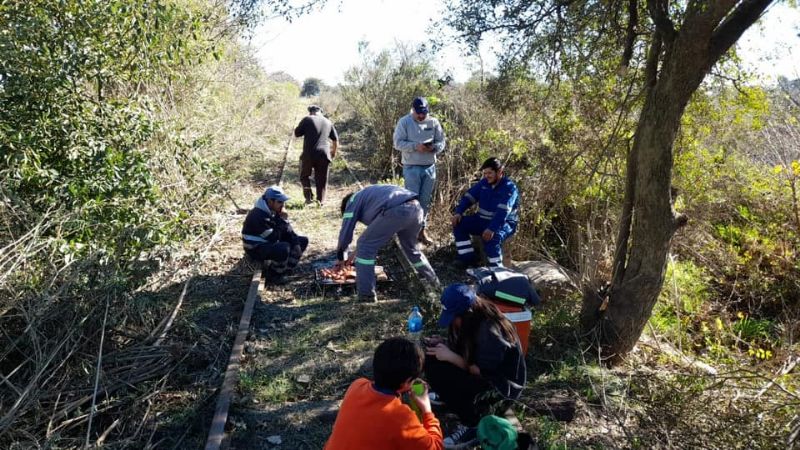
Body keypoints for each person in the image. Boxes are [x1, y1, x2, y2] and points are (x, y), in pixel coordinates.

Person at [423, 284, 525, 448]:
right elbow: (468, 351)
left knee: (454, 377)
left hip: (500, 388)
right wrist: (444, 345)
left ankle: (472, 424)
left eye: (453, 317)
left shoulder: (490, 331)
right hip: (479, 373)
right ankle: (449, 399)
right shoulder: (472, 320)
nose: (452, 322)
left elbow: (481, 372)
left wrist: (451, 356)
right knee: (433, 359)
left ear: (466, 313)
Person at [325, 337, 444, 450]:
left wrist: (401, 387)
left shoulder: (357, 385)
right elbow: (435, 446)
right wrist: (427, 410)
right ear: (406, 382)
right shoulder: (402, 417)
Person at [336, 184, 439, 303]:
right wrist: (354, 254)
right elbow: (379, 233)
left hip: (398, 210)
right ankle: (435, 282)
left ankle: (366, 295)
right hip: (416, 208)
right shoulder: (371, 198)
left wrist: (341, 257)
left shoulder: (352, 201)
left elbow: (346, 231)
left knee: (365, 245)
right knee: (413, 250)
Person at [393, 96, 446, 246]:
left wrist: (434, 148)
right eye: (419, 113)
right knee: (412, 202)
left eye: (424, 113)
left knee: (424, 202)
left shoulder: (434, 122)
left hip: (429, 167)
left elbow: (441, 142)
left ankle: (422, 231)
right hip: (411, 168)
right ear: (413, 110)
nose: (421, 116)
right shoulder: (404, 122)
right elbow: (397, 143)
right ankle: (409, 234)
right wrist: (416, 146)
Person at [452, 157, 519, 268]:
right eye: (485, 173)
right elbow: (468, 198)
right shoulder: (483, 183)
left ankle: (497, 271)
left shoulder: (509, 188)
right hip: (481, 220)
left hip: (504, 223)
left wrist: (492, 229)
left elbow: (503, 212)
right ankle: (468, 260)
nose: (487, 176)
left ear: (499, 171)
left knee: (493, 238)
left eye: (490, 173)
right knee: (459, 224)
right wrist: (458, 212)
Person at [241, 185, 308, 283]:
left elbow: (287, 232)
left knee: (301, 240)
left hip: (267, 241)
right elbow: (273, 237)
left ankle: (286, 270)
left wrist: (294, 239)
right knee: (283, 248)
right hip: (255, 247)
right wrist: (283, 220)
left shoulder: (273, 209)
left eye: (283, 202)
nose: (283, 205)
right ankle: (274, 275)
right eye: (280, 202)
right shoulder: (258, 215)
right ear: (270, 201)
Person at [294, 105, 339, 205]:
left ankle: (309, 197)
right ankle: (320, 201)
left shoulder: (307, 119)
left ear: (310, 112)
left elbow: (297, 133)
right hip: (324, 154)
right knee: (322, 179)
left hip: (308, 154)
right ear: (320, 112)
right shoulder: (328, 122)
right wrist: (333, 153)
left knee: (304, 176)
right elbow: (335, 140)